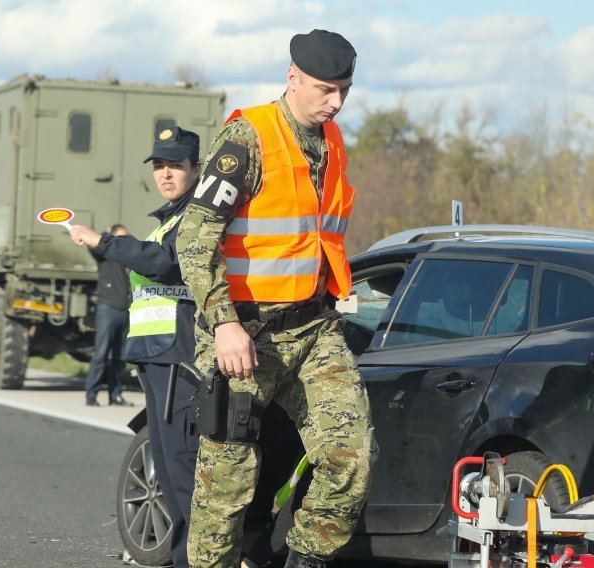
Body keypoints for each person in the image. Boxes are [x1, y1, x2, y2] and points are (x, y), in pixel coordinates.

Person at [177, 29, 376, 568]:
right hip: (245, 332)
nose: (335, 102)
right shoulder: (248, 138)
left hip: (313, 330)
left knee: (351, 458)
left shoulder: (332, 143)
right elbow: (194, 240)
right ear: (292, 78)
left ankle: (304, 561)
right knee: (228, 480)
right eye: (324, 89)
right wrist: (224, 324)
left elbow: (315, 238)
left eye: (345, 90)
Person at [69, 126, 202, 568]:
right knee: (165, 472)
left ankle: (191, 561)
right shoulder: (167, 216)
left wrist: (101, 240)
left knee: (183, 475)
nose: (165, 174)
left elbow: (161, 263)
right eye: (159, 166)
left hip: (178, 360)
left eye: (175, 166)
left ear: (196, 170)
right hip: (155, 357)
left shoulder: (194, 217)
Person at [83, 223, 132, 407]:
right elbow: (92, 245)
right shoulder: (105, 255)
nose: (124, 242)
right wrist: (107, 235)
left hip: (125, 310)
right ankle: (91, 395)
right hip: (108, 309)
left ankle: (116, 395)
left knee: (121, 356)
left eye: (127, 238)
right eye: (121, 238)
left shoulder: (128, 258)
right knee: (101, 353)